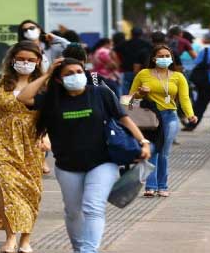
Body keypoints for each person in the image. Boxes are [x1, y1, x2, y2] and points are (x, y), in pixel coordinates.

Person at [17, 58, 151, 253]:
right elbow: (23, 98)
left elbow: (123, 118)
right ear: (58, 80)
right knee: (73, 212)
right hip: (67, 164)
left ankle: (88, 250)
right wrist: (47, 74)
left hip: (103, 161)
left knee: (93, 207)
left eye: (79, 71)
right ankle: (79, 248)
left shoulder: (100, 93)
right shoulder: (51, 98)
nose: (76, 76)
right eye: (69, 74)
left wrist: (143, 141)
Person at [0, 41, 46, 253]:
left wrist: (46, 137)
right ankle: (11, 237)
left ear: (38, 62)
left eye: (31, 60)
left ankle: (25, 240)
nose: (25, 63)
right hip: (2, 140)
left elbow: (50, 113)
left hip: (32, 143)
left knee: (32, 191)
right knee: (7, 191)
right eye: (21, 59)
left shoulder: (43, 84)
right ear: (12, 60)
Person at [130, 45, 197, 197]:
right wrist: (140, 93)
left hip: (169, 116)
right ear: (154, 58)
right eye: (161, 56)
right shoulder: (143, 74)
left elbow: (184, 98)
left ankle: (162, 186)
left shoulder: (178, 76)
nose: (165, 59)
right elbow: (130, 99)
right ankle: (150, 186)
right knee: (153, 150)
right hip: (150, 118)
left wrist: (190, 114)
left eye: (168, 56)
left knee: (164, 152)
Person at [184, 32, 210, 132]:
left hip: (206, 82)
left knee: (200, 104)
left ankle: (191, 125)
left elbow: (197, 61)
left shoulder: (206, 50)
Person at [114, 27, 152, 96]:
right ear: (141, 34)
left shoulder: (124, 44)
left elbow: (113, 51)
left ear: (131, 34)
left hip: (127, 70)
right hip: (142, 70)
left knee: (126, 89)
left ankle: (126, 103)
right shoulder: (147, 44)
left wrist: (118, 63)